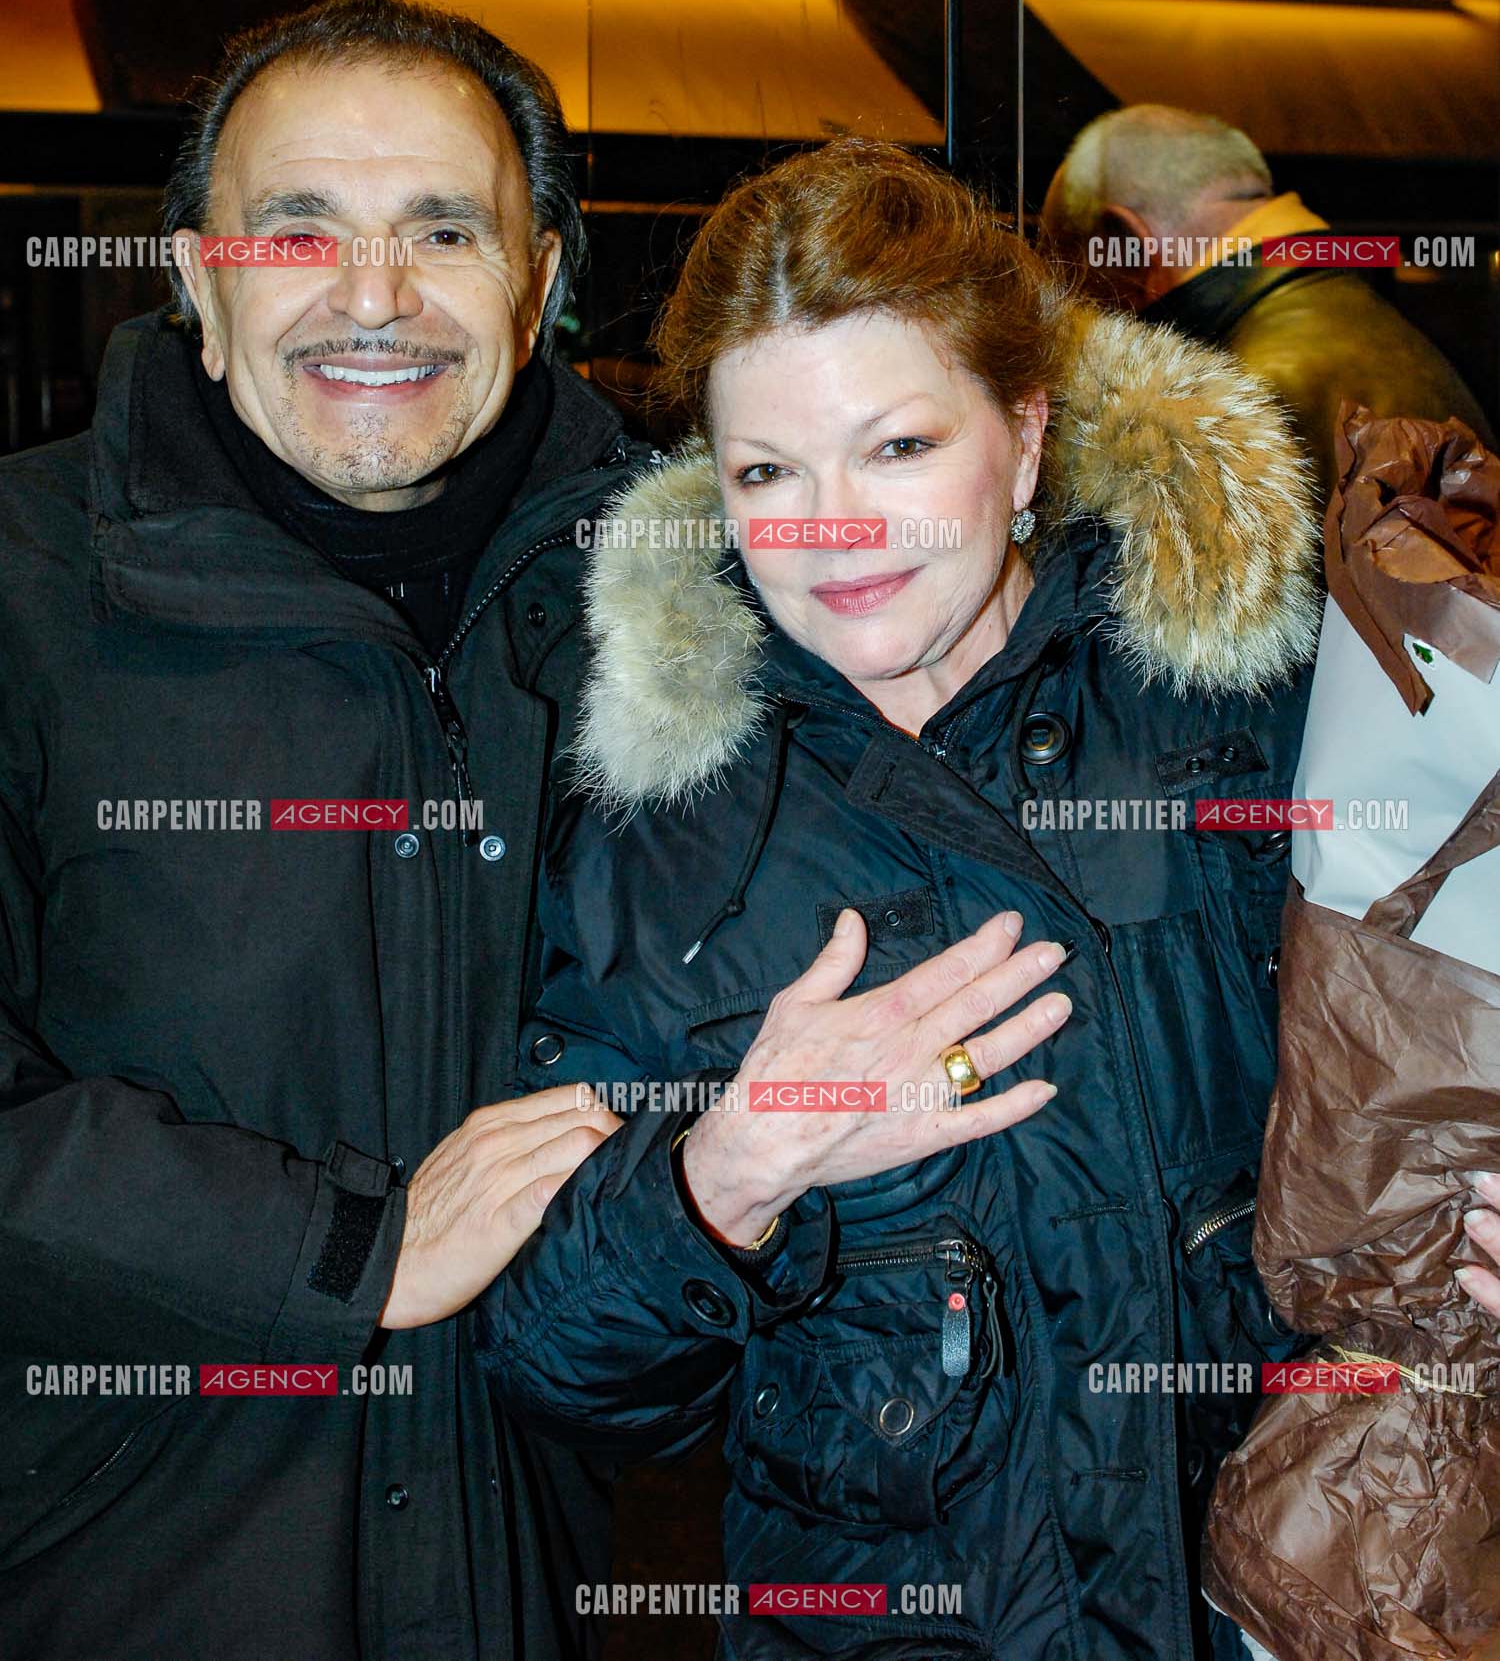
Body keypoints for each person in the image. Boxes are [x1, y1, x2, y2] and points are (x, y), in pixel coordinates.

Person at [480, 138, 1323, 1661]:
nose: (832, 527)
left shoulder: (1237, 702)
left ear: (1026, 431)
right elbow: (559, 1365)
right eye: (768, 472)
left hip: (1281, 1601)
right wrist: (728, 1169)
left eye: (897, 447)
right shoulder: (661, 828)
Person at [0, 0, 639, 1661]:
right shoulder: (22, 583)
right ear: (199, 281)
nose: (372, 294)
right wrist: (350, 1248)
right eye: (298, 230)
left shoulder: (666, 604)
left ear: (538, 283)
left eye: (445, 229)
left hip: (531, 1571)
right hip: (121, 1580)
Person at [1039, 103, 1491, 501]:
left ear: (1124, 242)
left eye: (1086, 290)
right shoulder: (1389, 333)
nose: (1095, 319)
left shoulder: (1232, 394)